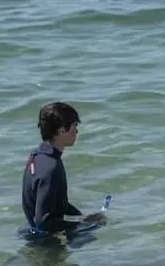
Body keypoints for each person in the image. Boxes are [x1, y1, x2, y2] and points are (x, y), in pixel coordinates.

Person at [21, 102, 105, 238]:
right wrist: (82, 225)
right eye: (74, 126)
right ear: (62, 130)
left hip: (32, 232)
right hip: (43, 243)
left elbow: (57, 202)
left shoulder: (38, 156)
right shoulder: (50, 167)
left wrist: (81, 217)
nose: (76, 131)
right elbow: (44, 221)